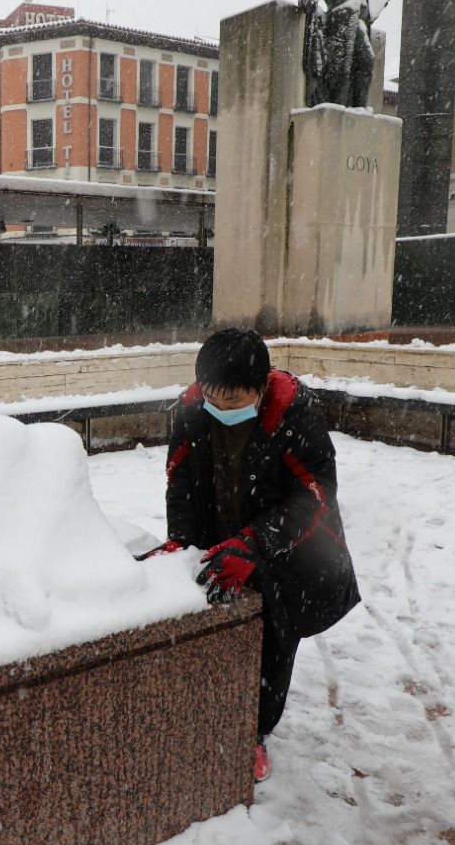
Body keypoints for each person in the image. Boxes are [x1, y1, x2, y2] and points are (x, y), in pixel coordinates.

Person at [148, 329, 360, 784]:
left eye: (235, 401)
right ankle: (210, 715)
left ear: (261, 387)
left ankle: (254, 732)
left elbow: (315, 495)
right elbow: (180, 481)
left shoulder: (295, 417)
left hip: (290, 551)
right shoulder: (190, 411)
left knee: (272, 641)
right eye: (214, 400)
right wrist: (181, 542)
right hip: (220, 539)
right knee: (211, 630)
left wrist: (257, 542)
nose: (222, 411)